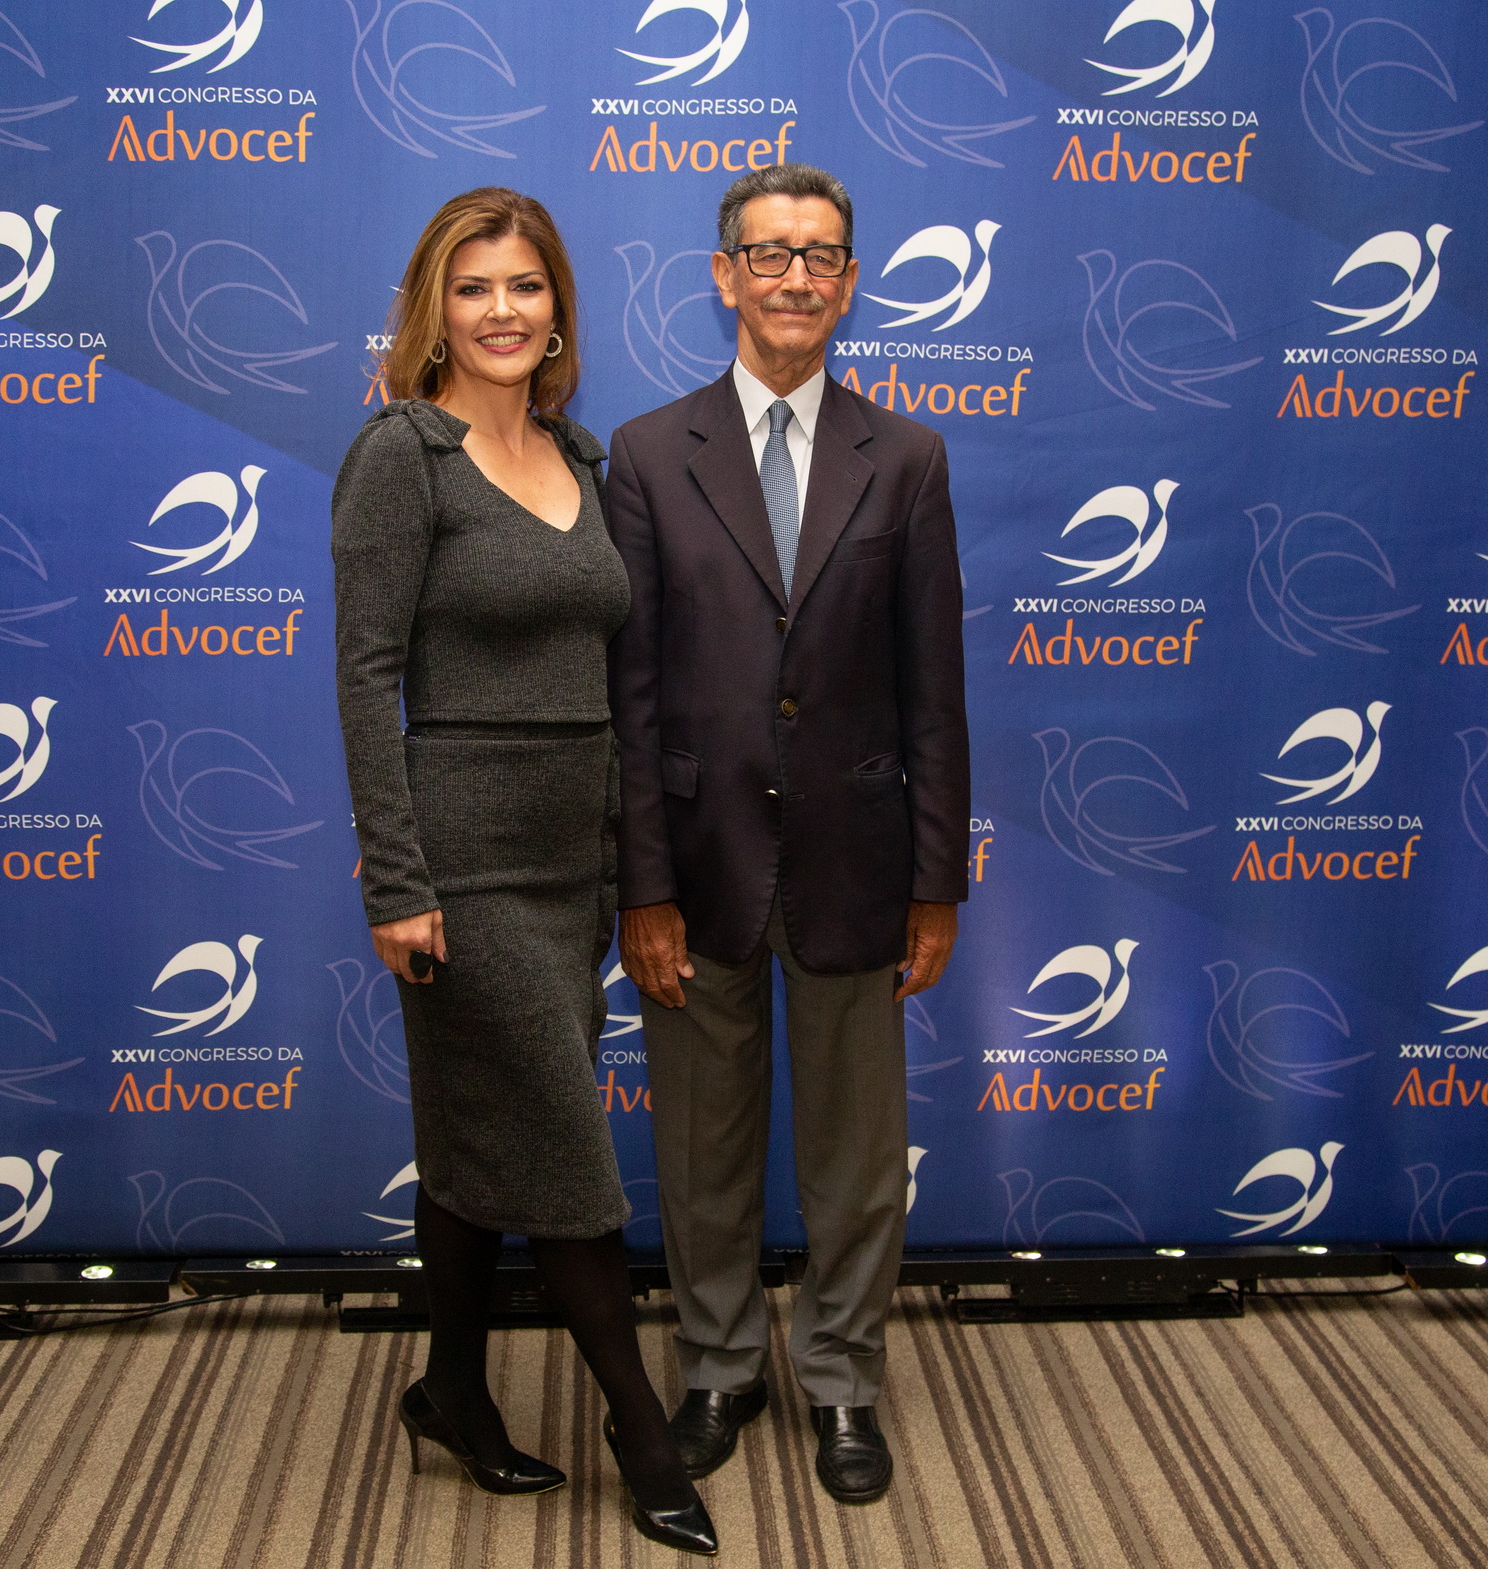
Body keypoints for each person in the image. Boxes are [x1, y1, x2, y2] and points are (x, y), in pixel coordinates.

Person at [331, 187, 715, 1557]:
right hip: (461, 860)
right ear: (434, 308)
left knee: (476, 1128)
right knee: (559, 1144)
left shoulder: (579, 452)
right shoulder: (402, 455)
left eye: (526, 286)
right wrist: (397, 880)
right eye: (474, 286)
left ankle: (451, 1387)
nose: (502, 310)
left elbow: (610, 666)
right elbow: (365, 675)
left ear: (558, 309)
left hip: (573, 861)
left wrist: (626, 857)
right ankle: (641, 1431)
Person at [604, 163, 970, 1505]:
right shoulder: (648, 454)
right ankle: (715, 1365)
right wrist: (642, 883)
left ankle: (842, 1378)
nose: (795, 279)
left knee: (856, 1159)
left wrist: (935, 881)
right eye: (769, 255)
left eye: (820, 256)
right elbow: (630, 693)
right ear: (725, 276)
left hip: (856, 864)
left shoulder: (908, 458)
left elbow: (934, 690)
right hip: (695, 864)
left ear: (851, 282)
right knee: (702, 1149)